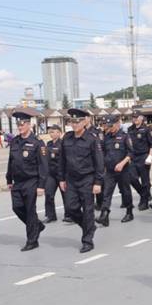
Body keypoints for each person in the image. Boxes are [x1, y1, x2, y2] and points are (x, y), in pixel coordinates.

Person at [59, 108, 104, 253]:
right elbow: (62, 160)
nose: (75, 124)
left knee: (88, 210)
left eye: (78, 121)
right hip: (71, 179)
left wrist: (98, 182)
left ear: (84, 121)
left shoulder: (92, 139)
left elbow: (99, 162)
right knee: (71, 209)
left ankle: (87, 241)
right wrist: (61, 179)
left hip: (87, 179)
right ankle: (89, 227)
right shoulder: (67, 138)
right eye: (73, 121)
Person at [6, 109, 48, 251]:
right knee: (16, 207)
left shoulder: (37, 143)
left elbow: (43, 166)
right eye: (18, 124)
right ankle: (37, 225)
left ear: (29, 125)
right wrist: (8, 179)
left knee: (30, 210)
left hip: (31, 181)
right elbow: (11, 162)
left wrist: (41, 185)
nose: (20, 127)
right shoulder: (15, 141)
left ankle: (32, 240)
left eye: (23, 124)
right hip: (18, 181)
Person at [95, 114, 134, 226]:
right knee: (106, 192)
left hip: (123, 169)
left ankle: (129, 212)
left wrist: (122, 163)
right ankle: (104, 215)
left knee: (125, 191)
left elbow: (131, 153)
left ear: (117, 124)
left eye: (111, 125)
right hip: (110, 171)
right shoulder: (106, 137)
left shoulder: (125, 136)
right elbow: (101, 152)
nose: (109, 128)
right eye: (108, 125)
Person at [127, 110, 152, 211]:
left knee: (145, 181)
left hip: (144, 156)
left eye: (137, 117)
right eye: (133, 117)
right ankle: (143, 194)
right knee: (132, 178)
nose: (135, 119)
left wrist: (150, 156)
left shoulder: (147, 129)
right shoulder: (130, 129)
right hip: (133, 157)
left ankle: (144, 202)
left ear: (141, 118)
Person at [43, 124, 70, 224]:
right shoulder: (48, 144)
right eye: (50, 132)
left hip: (61, 174)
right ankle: (50, 215)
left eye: (54, 131)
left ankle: (69, 214)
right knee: (49, 194)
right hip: (51, 174)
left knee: (65, 195)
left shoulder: (63, 144)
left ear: (59, 133)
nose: (52, 133)